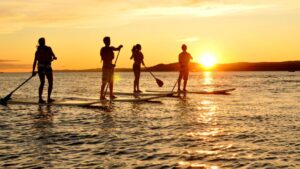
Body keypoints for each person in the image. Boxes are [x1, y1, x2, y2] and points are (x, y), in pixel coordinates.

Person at [32, 37, 57, 103]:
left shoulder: (46, 49)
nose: (44, 42)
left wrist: (54, 57)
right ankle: (43, 98)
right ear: (41, 42)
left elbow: (53, 56)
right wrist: (33, 71)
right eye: (43, 41)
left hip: (44, 67)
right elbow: (35, 61)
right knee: (46, 83)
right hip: (43, 67)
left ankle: (46, 98)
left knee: (46, 83)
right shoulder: (40, 51)